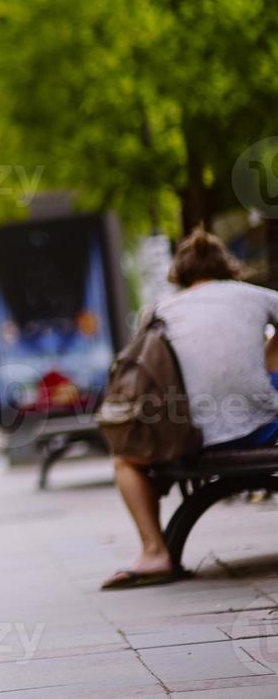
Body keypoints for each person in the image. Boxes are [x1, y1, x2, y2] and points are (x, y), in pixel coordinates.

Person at [102, 229, 278, 590]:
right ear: (228, 267)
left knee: (124, 461)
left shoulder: (159, 311)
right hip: (263, 425)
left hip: (187, 438)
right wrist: (268, 359)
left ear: (179, 275)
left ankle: (154, 552)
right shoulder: (254, 295)